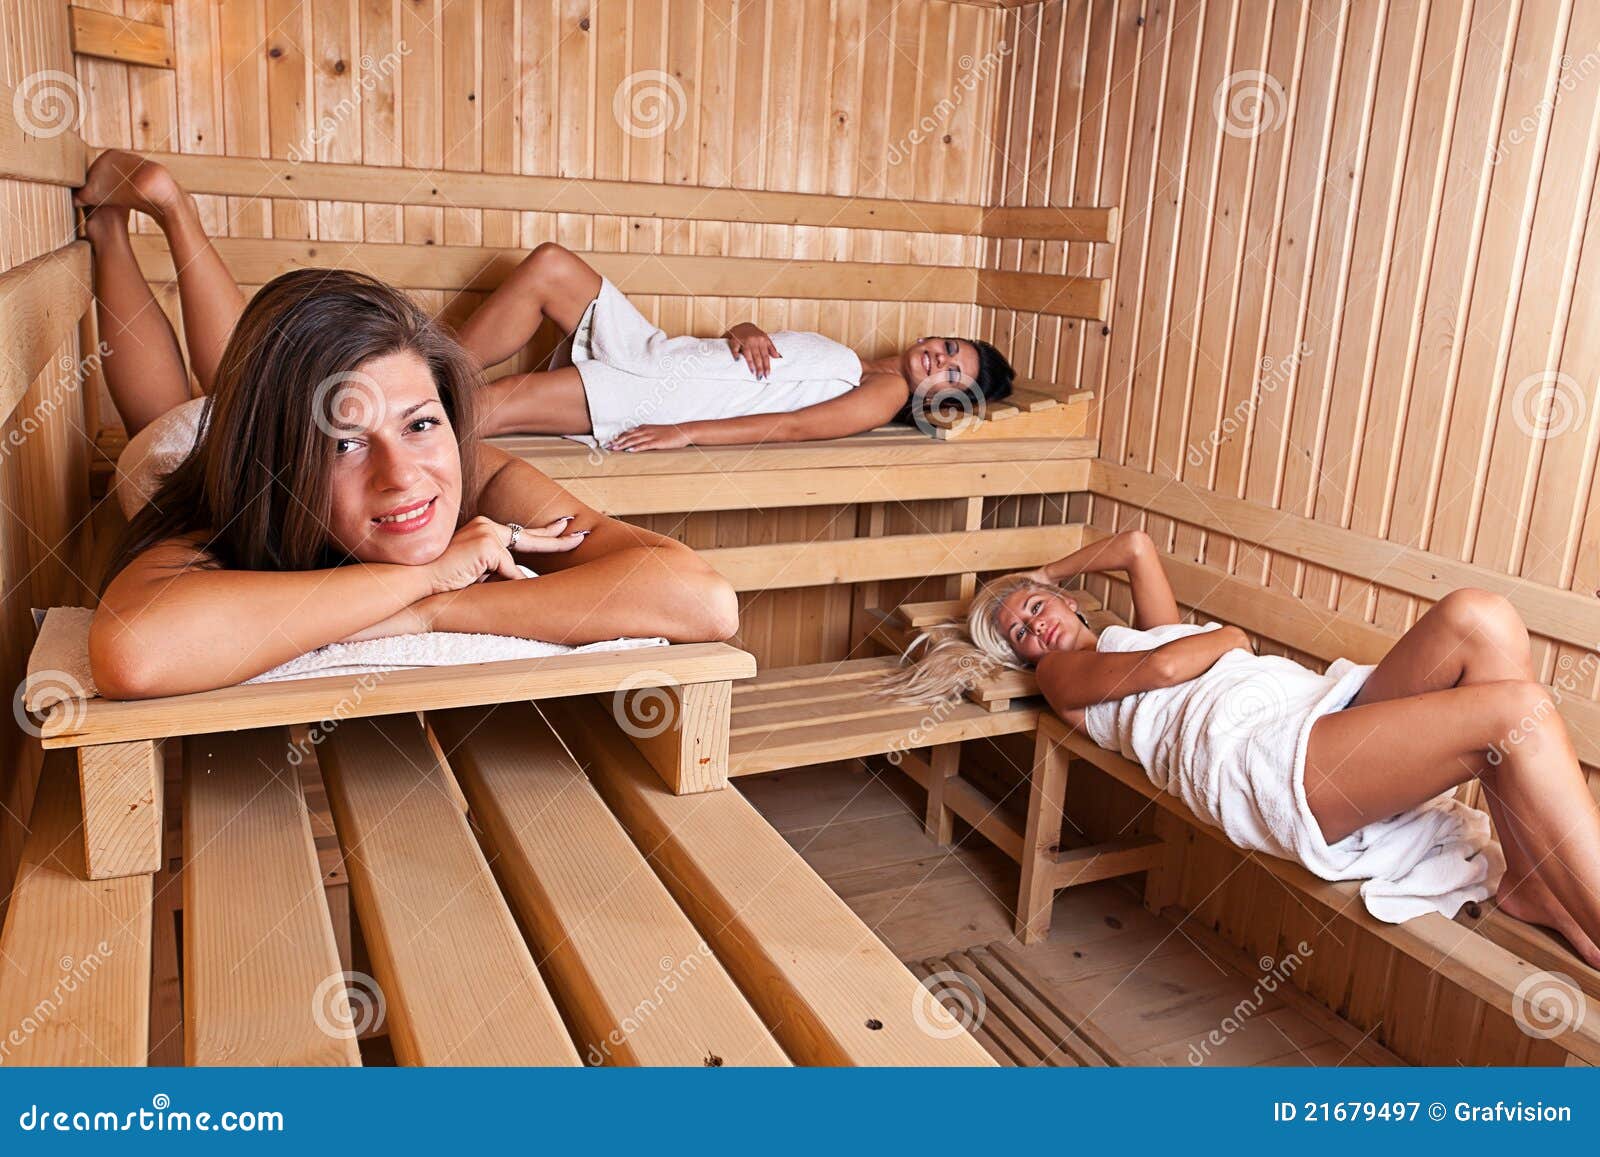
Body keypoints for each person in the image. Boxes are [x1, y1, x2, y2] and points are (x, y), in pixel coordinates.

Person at [75, 150, 737, 699]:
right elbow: (135, 653)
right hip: (189, 443)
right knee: (179, 407)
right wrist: (424, 573)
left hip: (271, 413)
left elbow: (703, 601)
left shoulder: (475, 471)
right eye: (344, 443)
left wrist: (430, 608)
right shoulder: (221, 512)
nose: (403, 477)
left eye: (419, 424)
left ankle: (169, 211)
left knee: (246, 373)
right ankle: (130, 223)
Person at [885, 527, 1600, 968]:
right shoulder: (1062, 674)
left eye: (1036, 610)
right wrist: (1227, 639)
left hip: (1313, 714)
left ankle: (1533, 883)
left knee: (1481, 617)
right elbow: (1167, 670)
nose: (1034, 630)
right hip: (1272, 763)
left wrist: (1047, 573)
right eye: (1017, 633)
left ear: (1068, 598)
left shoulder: (1136, 632)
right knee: (1518, 711)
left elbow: (1135, 547)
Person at [454, 242, 1017, 450]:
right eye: (947, 347)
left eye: (951, 374)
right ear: (929, 338)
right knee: (551, 265)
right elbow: (761, 366)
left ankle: (402, 406)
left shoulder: (884, 392)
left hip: (660, 394)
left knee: (485, 407)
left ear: (939, 399)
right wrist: (741, 329)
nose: (940, 359)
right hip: (659, 352)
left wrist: (686, 432)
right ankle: (425, 368)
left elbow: (792, 426)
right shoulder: (859, 361)